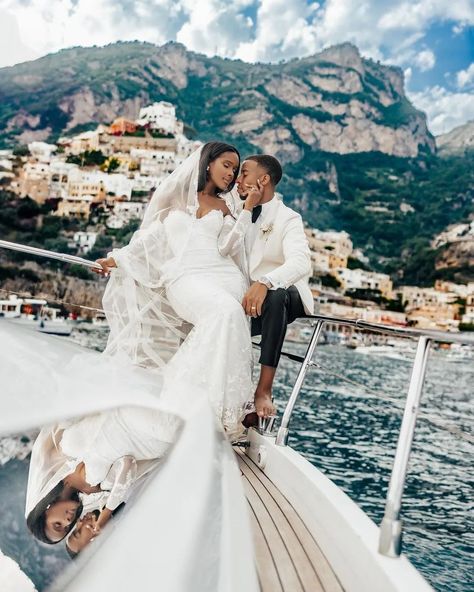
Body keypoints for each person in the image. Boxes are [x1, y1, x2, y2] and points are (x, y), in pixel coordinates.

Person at [93, 142, 262, 440]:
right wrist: (116, 258)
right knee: (224, 313)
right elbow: (152, 238)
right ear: (208, 163)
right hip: (184, 278)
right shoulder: (174, 198)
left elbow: (230, 247)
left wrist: (247, 210)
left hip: (222, 276)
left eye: (235, 169)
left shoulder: (227, 206)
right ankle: (179, 398)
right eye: (226, 165)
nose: (231, 173)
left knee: (228, 313)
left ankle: (217, 409)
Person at [25, 409, 181, 544]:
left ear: (44, 511)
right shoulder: (94, 491)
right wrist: (108, 511)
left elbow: (72, 410)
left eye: (57, 524)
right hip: (153, 435)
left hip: (127, 403)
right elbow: (128, 464)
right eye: (66, 528)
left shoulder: (51, 458)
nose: (67, 522)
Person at [235, 155, 314, 422]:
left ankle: (264, 389)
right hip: (243, 299)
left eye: (244, 173)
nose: (238, 179)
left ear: (264, 179)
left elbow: (301, 262)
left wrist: (265, 281)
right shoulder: (235, 208)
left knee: (277, 294)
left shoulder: (289, 218)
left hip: (283, 294)